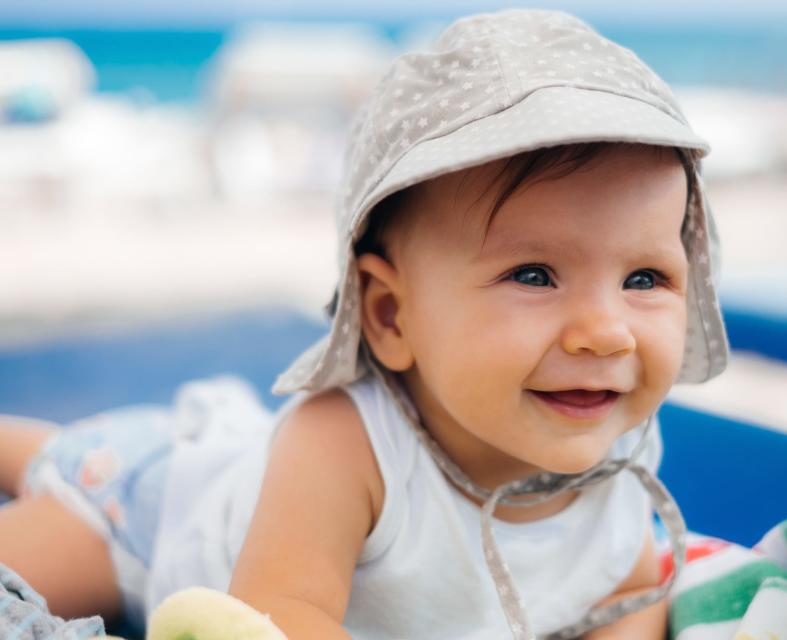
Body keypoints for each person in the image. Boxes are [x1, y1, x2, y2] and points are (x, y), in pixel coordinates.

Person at [0, 9, 729, 639]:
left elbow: (625, 588)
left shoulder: (618, 442)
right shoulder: (345, 443)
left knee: (72, 448)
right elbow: (280, 609)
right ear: (389, 314)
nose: (606, 333)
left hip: (227, 459)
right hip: (140, 519)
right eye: (534, 276)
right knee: (52, 526)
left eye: (645, 279)